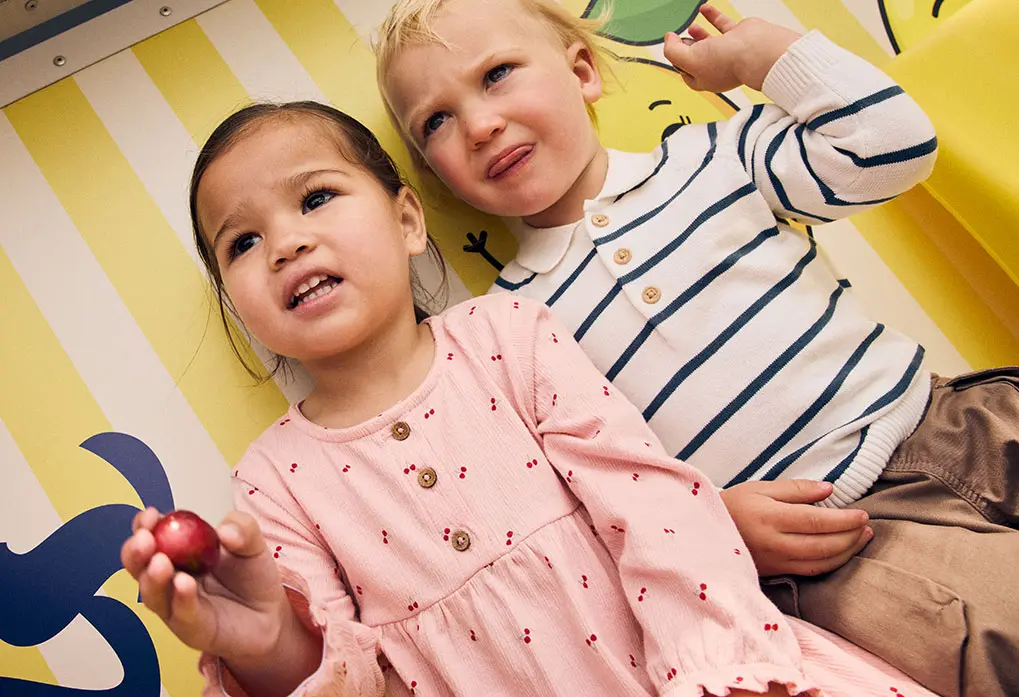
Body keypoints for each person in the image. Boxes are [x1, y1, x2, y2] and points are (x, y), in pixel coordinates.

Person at [120, 101, 936, 697]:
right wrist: (267, 646)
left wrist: (718, 669)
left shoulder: (507, 334)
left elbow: (654, 509)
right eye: (242, 241)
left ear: (408, 219)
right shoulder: (276, 478)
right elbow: (353, 678)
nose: (286, 242)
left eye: (315, 198)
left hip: (698, 671)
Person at [374, 1, 1019, 695]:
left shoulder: (713, 155)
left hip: (951, 419)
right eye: (434, 121)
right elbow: (584, 503)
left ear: (583, 70)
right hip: (842, 542)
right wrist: (710, 523)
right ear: (434, 174)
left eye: (497, 74)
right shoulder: (509, 328)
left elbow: (893, 145)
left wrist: (760, 58)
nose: (478, 124)